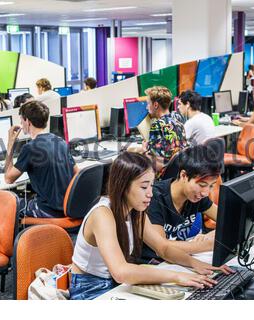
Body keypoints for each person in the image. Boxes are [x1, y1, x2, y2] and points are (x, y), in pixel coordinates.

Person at [69, 151, 232, 300]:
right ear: (123, 186)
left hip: (115, 285)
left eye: (151, 186)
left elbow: (163, 248)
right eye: (144, 187)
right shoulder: (103, 214)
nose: (150, 194)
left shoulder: (135, 211)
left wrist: (198, 265)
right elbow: (121, 271)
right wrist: (176, 276)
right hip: (90, 289)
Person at [141, 145, 220, 262]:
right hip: (152, 266)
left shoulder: (197, 195)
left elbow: (228, 222)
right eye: (202, 185)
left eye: (211, 186)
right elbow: (162, 247)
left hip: (177, 263)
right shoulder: (154, 198)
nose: (206, 192)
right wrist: (208, 245)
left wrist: (211, 235)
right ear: (183, 175)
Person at [4, 100, 78, 218]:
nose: (21, 124)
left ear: (27, 121)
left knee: (8, 203)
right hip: (68, 207)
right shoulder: (60, 141)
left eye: (21, 120)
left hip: (48, 211)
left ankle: (21, 236)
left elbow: (8, 179)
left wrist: (10, 144)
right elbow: (77, 173)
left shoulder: (30, 148)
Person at [145, 86, 188, 176]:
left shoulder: (157, 125)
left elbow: (157, 165)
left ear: (155, 105)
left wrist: (144, 151)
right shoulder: (179, 122)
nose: (146, 107)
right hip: (179, 177)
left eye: (148, 103)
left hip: (163, 180)